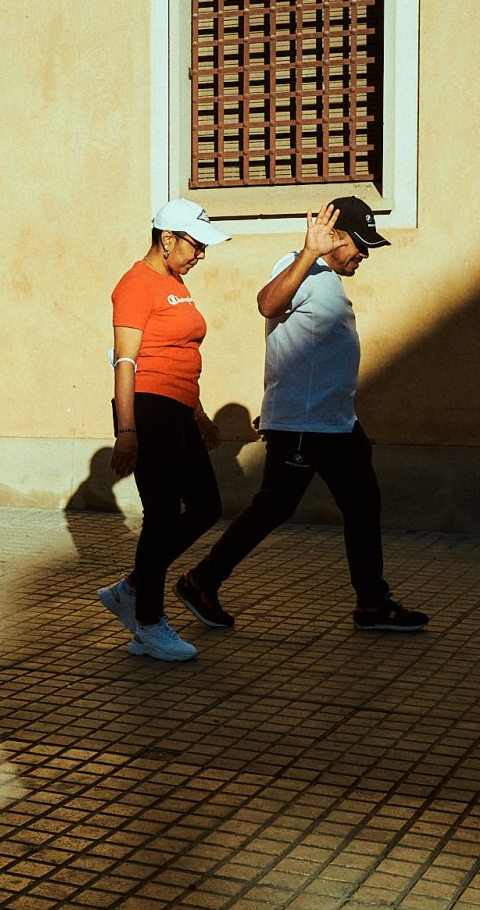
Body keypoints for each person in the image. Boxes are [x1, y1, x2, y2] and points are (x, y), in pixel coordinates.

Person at [173, 197, 429, 634]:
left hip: (337, 423)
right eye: (359, 245)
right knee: (273, 508)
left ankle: (371, 603)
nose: (364, 254)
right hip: (303, 427)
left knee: (363, 505)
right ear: (334, 236)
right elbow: (268, 305)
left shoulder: (328, 280)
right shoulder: (298, 266)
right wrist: (308, 252)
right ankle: (201, 582)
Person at [98, 199, 230, 661]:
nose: (200, 255)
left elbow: (182, 358)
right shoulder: (136, 284)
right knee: (161, 515)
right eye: (195, 245)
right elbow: (126, 360)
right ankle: (148, 625)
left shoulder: (175, 282)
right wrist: (126, 428)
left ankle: (132, 588)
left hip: (178, 409)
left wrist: (198, 414)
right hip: (147, 409)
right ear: (166, 238)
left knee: (207, 506)